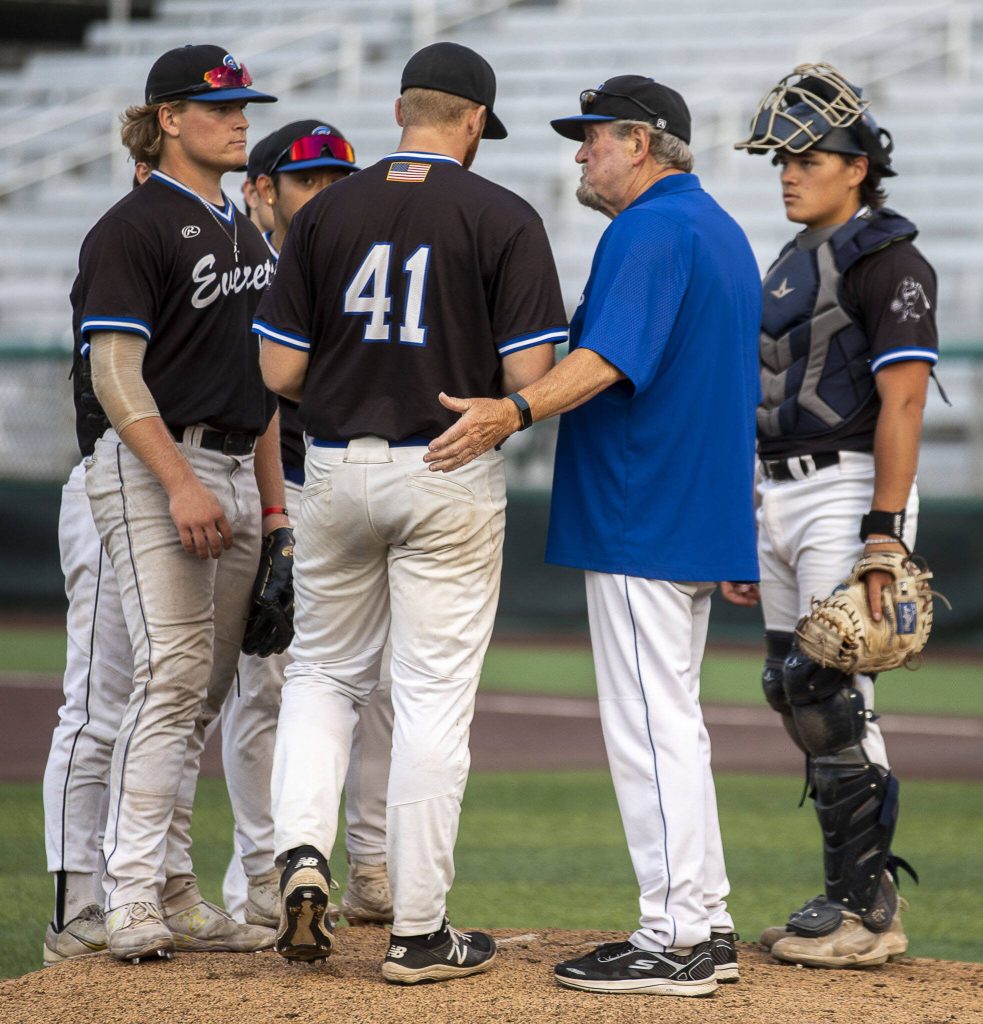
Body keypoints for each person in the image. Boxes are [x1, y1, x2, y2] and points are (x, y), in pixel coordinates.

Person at [425, 75, 761, 997]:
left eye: (594, 137)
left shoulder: (650, 229)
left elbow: (608, 360)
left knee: (650, 728)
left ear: (643, 144)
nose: (580, 153)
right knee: (673, 724)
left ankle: (676, 936)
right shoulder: (716, 229)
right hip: (689, 505)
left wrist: (514, 408)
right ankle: (706, 916)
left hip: (642, 507)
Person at [254, 41, 567, 983]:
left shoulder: (323, 211)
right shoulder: (502, 214)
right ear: (472, 121)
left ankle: (301, 857)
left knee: (320, 677)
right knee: (430, 697)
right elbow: (528, 380)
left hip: (336, 467)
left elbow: (277, 373)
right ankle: (420, 932)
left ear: (401, 110)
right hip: (445, 466)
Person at [72, 43, 284, 963]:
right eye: (218, 106)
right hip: (157, 462)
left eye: (242, 105)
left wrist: (275, 513)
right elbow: (114, 371)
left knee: (199, 691)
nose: (240, 118)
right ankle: (123, 896)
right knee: (167, 676)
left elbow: (264, 384)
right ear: (168, 119)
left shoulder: (244, 229)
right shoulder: (135, 225)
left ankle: (172, 886)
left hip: (238, 461)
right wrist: (181, 481)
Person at [725, 63, 938, 968]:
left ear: (857, 166)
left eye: (806, 156)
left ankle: (866, 912)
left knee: (832, 687)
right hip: (777, 488)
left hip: (849, 488)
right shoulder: (787, 261)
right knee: (792, 686)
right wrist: (745, 515)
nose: (787, 170)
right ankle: (847, 900)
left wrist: (883, 530)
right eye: (781, 157)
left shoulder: (889, 258)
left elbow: (903, 403)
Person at [219, 121, 395, 930]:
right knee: (269, 686)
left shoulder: (355, 263)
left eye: (338, 179)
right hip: (273, 485)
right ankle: (262, 876)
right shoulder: (240, 273)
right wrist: (270, 515)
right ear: (262, 189)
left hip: (347, 483)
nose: (326, 193)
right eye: (307, 180)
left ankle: (373, 866)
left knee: (385, 690)